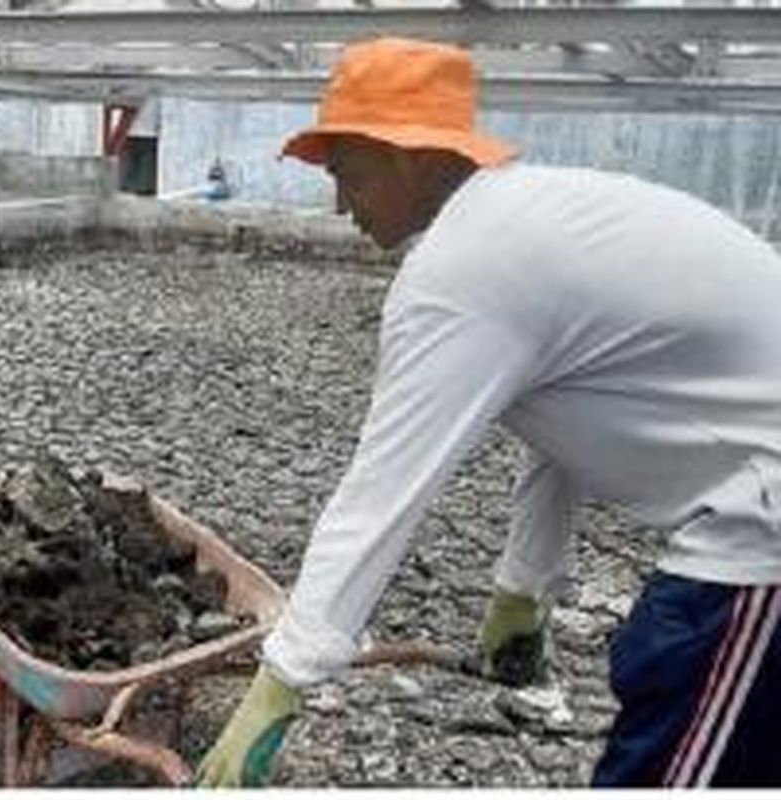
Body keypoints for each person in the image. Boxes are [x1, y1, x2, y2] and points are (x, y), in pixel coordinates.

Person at [195, 37, 781, 788]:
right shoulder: (534, 221)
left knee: (674, 752)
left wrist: (280, 682)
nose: (341, 204)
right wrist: (522, 590)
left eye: (346, 173)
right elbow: (571, 423)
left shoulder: (460, 269)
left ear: (403, 153)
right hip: (751, 507)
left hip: (759, 537)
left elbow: (383, 490)